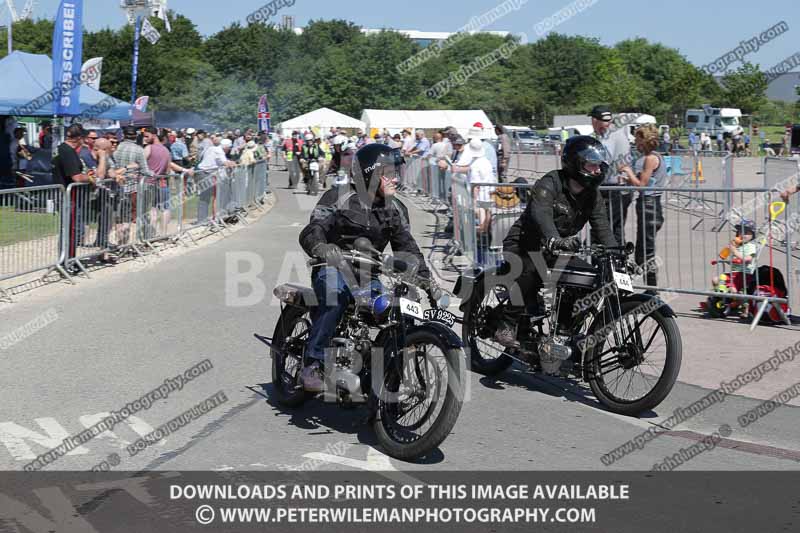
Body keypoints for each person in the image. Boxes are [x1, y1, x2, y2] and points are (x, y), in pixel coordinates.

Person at [297, 143, 437, 391]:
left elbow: (408, 248)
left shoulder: (395, 208)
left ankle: (386, 373)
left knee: (401, 309)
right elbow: (314, 228)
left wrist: (426, 281)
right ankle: (313, 363)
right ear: (371, 175)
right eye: (390, 174)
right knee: (334, 295)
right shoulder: (340, 195)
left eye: (397, 173)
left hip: (369, 277)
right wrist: (321, 247)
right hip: (333, 268)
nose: (396, 179)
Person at [493, 136, 618, 347]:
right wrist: (554, 238)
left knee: (588, 277)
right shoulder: (550, 183)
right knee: (529, 270)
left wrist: (616, 254)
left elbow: (603, 228)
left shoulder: (592, 195)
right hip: (524, 243)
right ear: (576, 164)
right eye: (592, 165)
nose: (597, 170)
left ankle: (563, 331)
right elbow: (541, 213)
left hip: (556, 250)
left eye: (599, 165)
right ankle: (506, 323)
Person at [623, 125, 666, 291]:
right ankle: (647, 288)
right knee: (642, 252)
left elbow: (641, 185)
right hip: (648, 206)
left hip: (650, 207)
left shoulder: (650, 159)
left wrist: (628, 171)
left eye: (638, 139)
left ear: (645, 140)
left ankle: (652, 291)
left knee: (646, 252)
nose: (635, 142)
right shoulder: (652, 157)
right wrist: (628, 179)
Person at [588, 105, 635, 248]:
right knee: (615, 227)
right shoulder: (614, 133)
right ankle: (618, 261)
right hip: (619, 188)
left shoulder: (608, 136)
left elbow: (601, 161)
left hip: (614, 189)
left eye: (593, 120)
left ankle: (611, 260)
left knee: (605, 228)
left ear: (596, 120)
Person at [450, 133, 497, 266]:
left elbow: (475, 186)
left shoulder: (475, 164)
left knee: (482, 229)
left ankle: (482, 257)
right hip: (489, 195)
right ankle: (484, 254)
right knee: (486, 226)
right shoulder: (485, 161)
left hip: (481, 198)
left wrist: (473, 201)